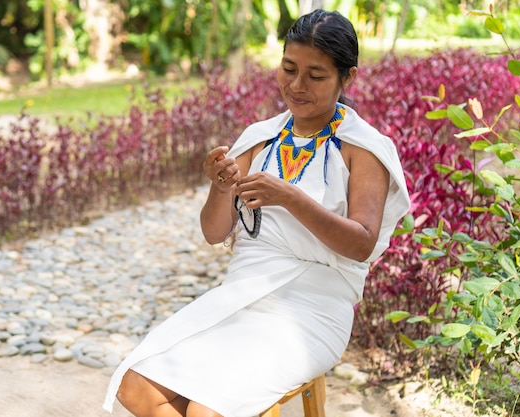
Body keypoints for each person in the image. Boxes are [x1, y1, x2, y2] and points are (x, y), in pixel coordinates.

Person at [103, 9, 410, 417]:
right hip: (243, 294)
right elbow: (214, 233)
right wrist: (220, 185)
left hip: (313, 307)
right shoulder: (259, 138)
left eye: (316, 76)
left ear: (347, 77)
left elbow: (360, 243)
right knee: (134, 386)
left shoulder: (363, 147)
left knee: (205, 409)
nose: (297, 86)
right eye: (288, 69)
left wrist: (290, 197)